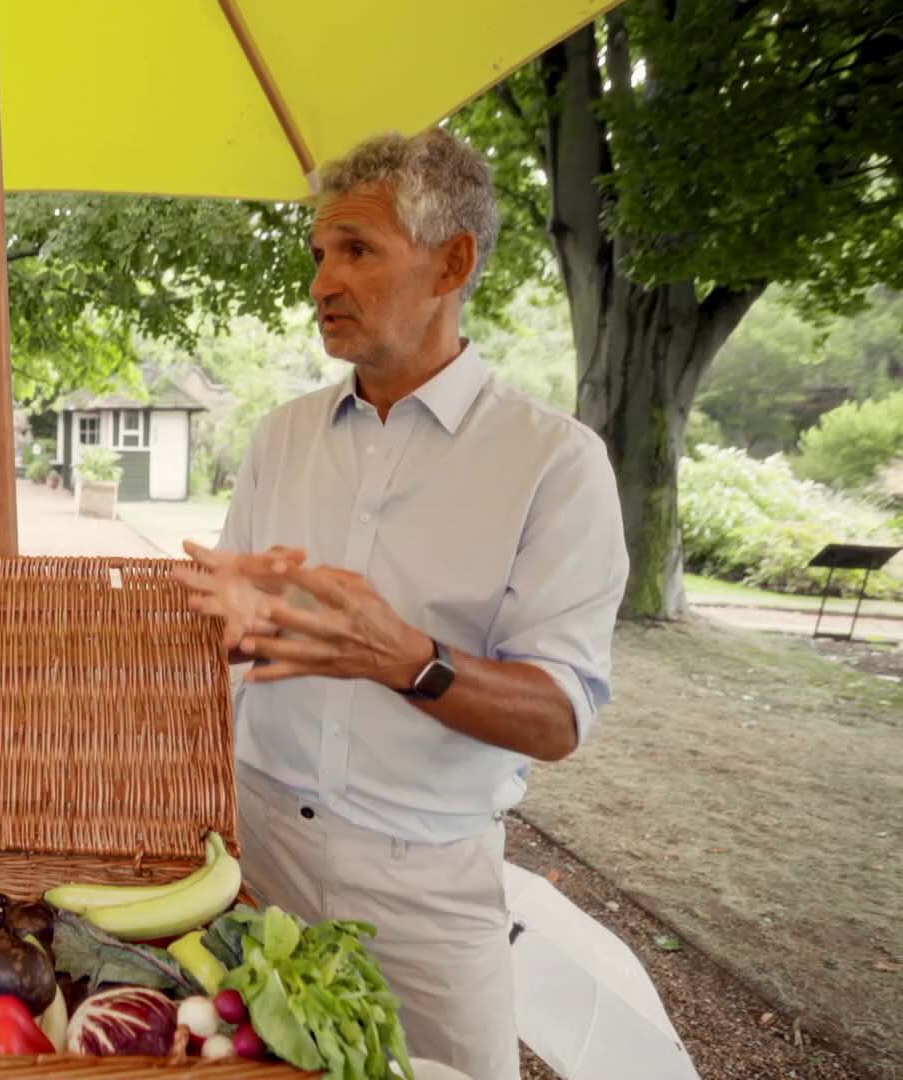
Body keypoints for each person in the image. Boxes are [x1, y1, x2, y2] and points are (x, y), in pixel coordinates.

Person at [175, 129, 628, 1080]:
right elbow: (238, 630)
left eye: (357, 249)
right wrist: (216, 628)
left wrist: (408, 659)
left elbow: (558, 716)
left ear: (452, 262)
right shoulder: (283, 437)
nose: (320, 283)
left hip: (426, 889)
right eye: (318, 254)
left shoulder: (554, 462)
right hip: (254, 860)